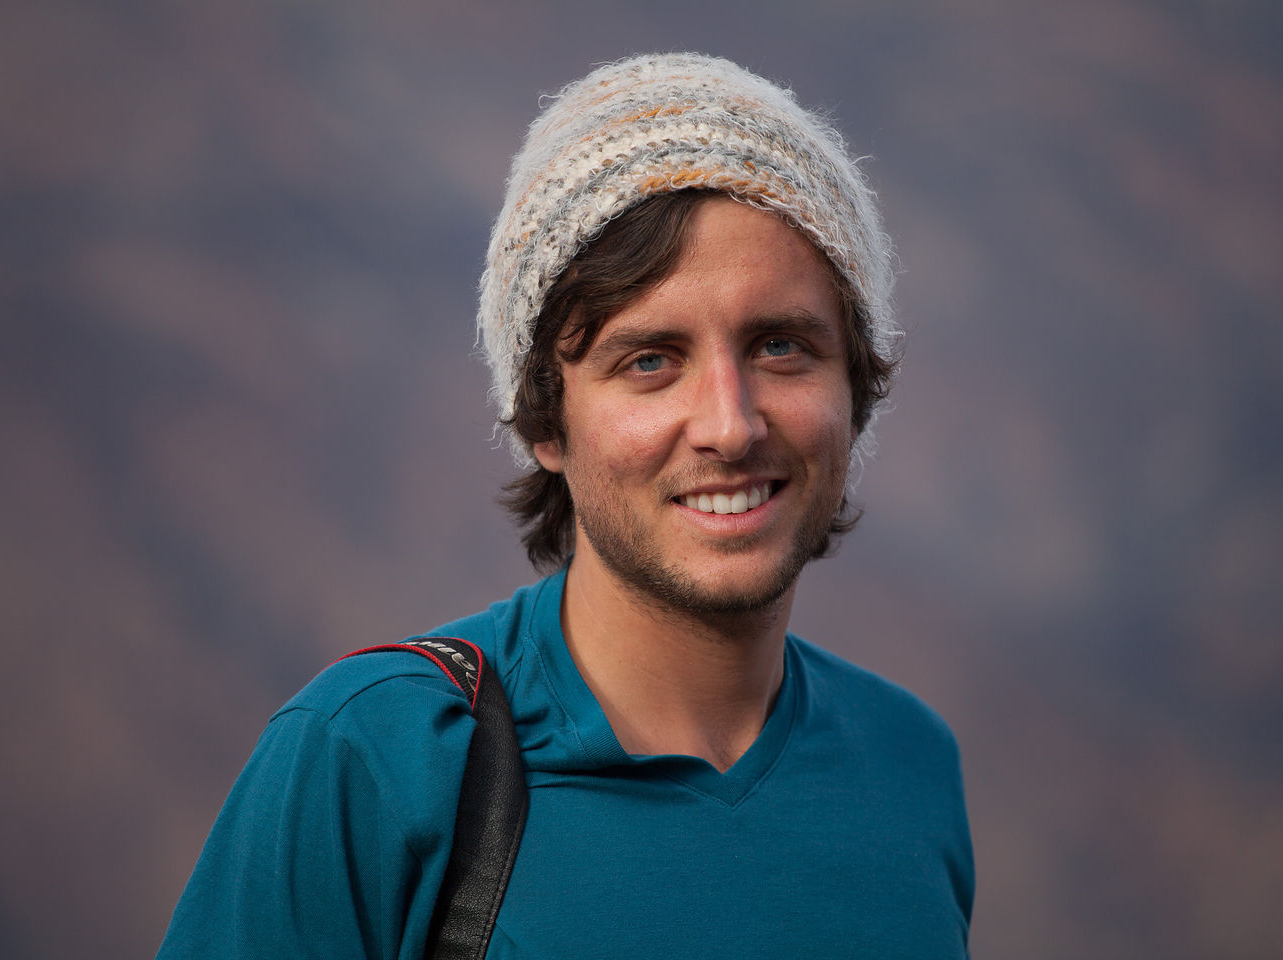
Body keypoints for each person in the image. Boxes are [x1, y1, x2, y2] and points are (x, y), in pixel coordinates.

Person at [159, 52, 974, 959]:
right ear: (547, 421)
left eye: (780, 346)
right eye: (650, 360)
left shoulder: (909, 765)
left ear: (854, 386)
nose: (730, 425)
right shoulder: (378, 756)